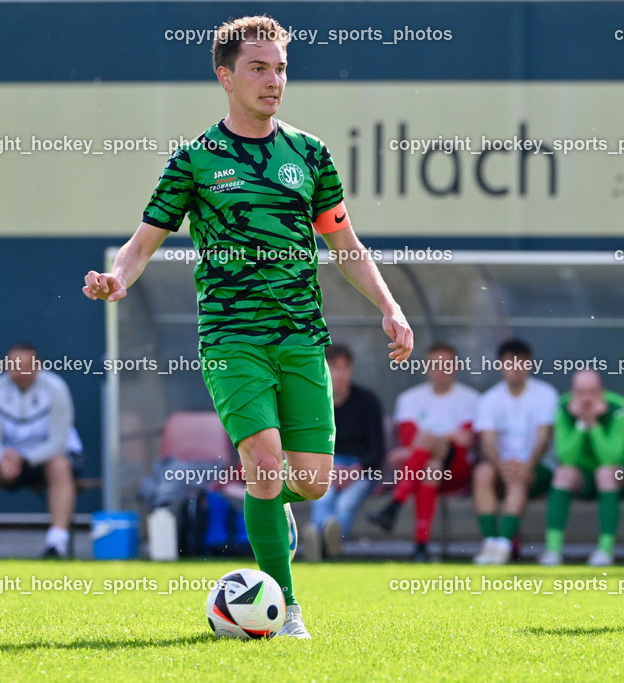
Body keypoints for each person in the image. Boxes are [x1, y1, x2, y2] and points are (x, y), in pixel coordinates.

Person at [82, 14, 413, 639]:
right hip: (232, 339)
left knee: (311, 483)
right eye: (258, 68)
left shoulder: (310, 154)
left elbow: (346, 246)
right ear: (225, 76)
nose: (273, 80)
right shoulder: (194, 160)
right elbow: (141, 243)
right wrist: (118, 278)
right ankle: (287, 611)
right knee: (263, 459)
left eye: (280, 68)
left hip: (302, 338)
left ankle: (266, 504)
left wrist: (390, 306)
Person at [0, 342, 84, 558]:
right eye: (15, 366)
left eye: (27, 366)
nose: (21, 372)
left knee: (59, 465)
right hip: (10, 463)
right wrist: (3, 458)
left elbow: (58, 442)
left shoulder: (56, 388)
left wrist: (23, 458)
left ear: (38, 366)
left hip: (46, 460)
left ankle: (56, 543)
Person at [368, 342, 479, 562]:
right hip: (423, 470)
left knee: (427, 440)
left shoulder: (471, 399)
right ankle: (421, 547)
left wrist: (434, 439)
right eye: (435, 365)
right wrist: (451, 434)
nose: (441, 370)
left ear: (457, 367)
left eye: (447, 364)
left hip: (457, 472)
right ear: (426, 367)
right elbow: (410, 439)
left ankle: (395, 504)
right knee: (431, 467)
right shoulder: (409, 399)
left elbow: (466, 440)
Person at [537, 370, 624, 567]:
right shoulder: (563, 407)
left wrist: (593, 424)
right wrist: (580, 424)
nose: (586, 398)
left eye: (593, 392)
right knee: (563, 474)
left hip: (621, 473)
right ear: (572, 392)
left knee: (605, 473)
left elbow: (610, 458)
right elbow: (565, 457)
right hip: (584, 476)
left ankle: (605, 550)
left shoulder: (619, 407)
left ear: (602, 391)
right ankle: (553, 550)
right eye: (580, 392)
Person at [471, 339, 557, 565]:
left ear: (530, 365)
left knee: (518, 476)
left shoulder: (546, 394)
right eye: (510, 363)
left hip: (539, 469)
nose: (516, 369)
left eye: (522, 363)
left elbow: (544, 438)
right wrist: (502, 466)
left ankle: (503, 546)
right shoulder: (489, 399)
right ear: (500, 365)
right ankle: (490, 543)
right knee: (482, 473)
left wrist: (527, 464)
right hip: (502, 468)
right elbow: (488, 443)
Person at [300, 344, 384, 561]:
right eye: (334, 367)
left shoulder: (368, 401)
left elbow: (377, 450)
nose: (340, 373)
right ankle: (328, 545)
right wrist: (328, 468)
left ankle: (319, 542)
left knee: (346, 502)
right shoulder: (313, 402)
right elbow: (305, 446)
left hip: (361, 470)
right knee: (323, 497)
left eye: (345, 367)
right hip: (325, 467)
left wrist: (355, 470)